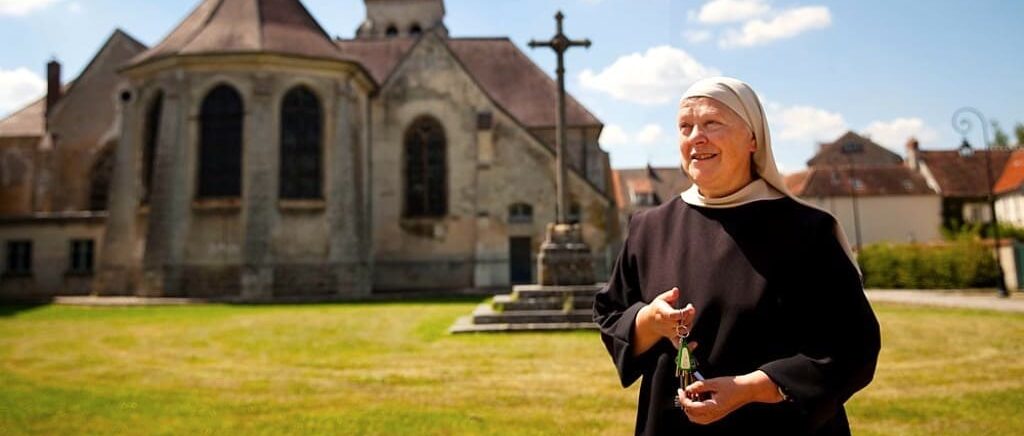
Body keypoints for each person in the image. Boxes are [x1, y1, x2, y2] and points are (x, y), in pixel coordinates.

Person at [593, 77, 881, 435]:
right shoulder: (649, 227)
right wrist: (650, 321)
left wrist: (749, 389)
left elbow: (852, 347)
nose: (696, 136)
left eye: (712, 123)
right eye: (685, 126)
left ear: (753, 139)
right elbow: (610, 314)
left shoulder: (809, 231)